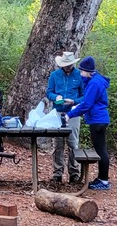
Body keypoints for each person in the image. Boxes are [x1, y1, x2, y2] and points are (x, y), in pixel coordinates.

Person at [66, 56, 111, 190]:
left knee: (101, 151)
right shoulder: (94, 81)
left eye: (82, 72)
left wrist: (70, 114)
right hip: (99, 119)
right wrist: (74, 102)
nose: (80, 74)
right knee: (100, 149)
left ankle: (103, 181)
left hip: (98, 120)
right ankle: (102, 179)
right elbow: (88, 101)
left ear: (88, 71)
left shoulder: (95, 83)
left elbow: (87, 104)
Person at [46, 51, 84, 183]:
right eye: (65, 65)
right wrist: (55, 97)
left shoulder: (79, 75)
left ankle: (74, 172)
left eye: (69, 65)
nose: (67, 67)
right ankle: (57, 173)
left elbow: (84, 96)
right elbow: (49, 92)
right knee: (58, 144)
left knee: (73, 143)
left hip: (73, 112)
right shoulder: (54, 75)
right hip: (57, 112)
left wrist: (74, 101)